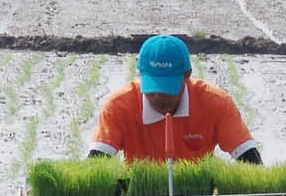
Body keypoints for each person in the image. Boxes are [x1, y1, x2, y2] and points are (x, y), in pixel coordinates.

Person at [88, 34, 261, 164]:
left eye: (167, 88)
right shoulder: (119, 106)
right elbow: (96, 164)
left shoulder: (216, 103)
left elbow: (249, 159)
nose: (158, 97)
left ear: (187, 75)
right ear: (140, 76)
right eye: (152, 88)